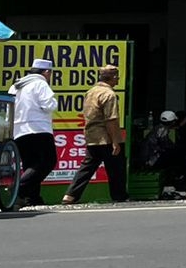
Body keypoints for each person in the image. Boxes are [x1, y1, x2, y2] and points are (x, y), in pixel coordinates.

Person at [62, 65, 127, 204]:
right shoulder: (109, 94)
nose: (118, 80)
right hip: (105, 137)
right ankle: (119, 196)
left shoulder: (91, 92)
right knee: (116, 169)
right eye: (117, 77)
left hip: (92, 136)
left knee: (87, 167)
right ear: (113, 78)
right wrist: (116, 141)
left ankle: (70, 195)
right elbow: (111, 119)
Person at [11, 58, 58, 208]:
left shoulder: (17, 85)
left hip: (19, 130)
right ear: (46, 72)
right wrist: (55, 102)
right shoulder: (40, 83)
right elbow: (48, 105)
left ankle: (33, 198)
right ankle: (19, 189)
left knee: (31, 164)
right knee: (48, 161)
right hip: (39, 129)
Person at [143, 110, 186, 200]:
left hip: (152, 158)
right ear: (172, 122)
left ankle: (181, 183)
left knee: (179, 155)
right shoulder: (162, 130)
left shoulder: (158, 128)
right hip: (153, 160)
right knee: (180, 157)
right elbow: (167, 147)